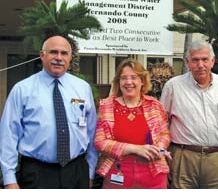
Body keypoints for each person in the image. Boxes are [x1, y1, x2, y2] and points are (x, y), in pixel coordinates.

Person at [0, 35, 98, 189]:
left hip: (77, 171)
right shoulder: (22, 89)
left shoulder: (83, 88)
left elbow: (92, 133)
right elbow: (8, 134)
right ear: (42, 55)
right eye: (53, 52)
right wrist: (9, 179)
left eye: (64, 53)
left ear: (70, 58)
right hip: (37, 173)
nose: (59, 58)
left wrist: (90, 172)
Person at [160, 40, 218, 189]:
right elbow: (160, 128)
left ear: (212, 61)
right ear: (187, 62)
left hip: (217, 160)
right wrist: (162, 161)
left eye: (205, 59)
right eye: (195, 60)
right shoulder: (173, 87)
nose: (200, 65)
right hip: (183, 159)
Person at [94, 58, 171, 189]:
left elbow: (165, 134)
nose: (129, 82)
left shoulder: (155, 105)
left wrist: (159, 149)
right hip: (118, 172)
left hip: (153, 172)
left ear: (142, 81)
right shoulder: (106, 106)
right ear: (119, 82)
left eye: (134, 77)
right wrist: (135, 149)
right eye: (124, 78)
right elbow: (99, 142)